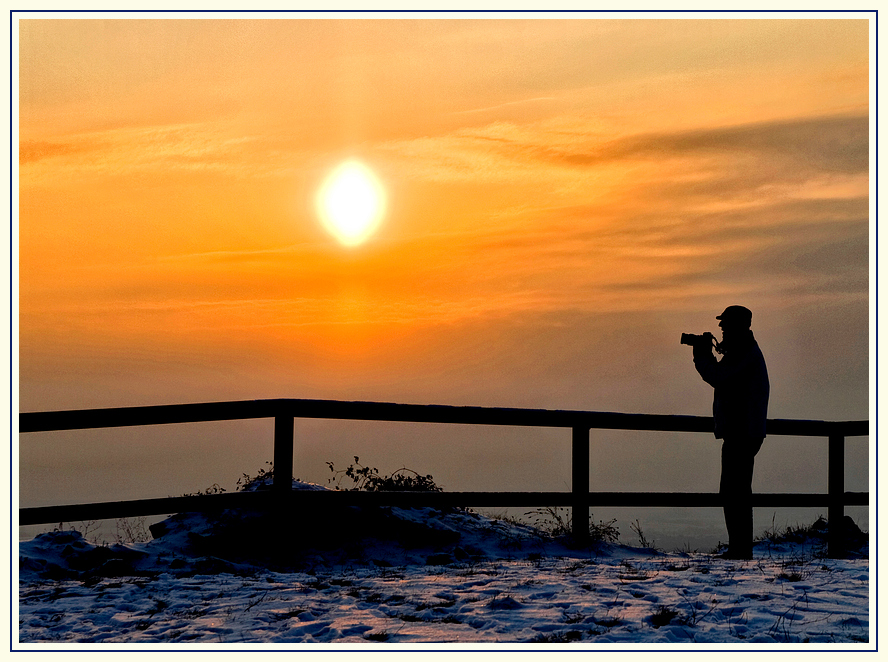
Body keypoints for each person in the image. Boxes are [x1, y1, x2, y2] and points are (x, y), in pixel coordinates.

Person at [690, 305, 769, 559]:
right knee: (736, 490)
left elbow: (718, 375)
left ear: (737, 326)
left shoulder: (743, 352)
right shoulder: (744, 350)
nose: (721, 328)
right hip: (745, 430)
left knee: (735, 491)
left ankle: (740, 549)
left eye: (725, 324)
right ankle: (740, 547)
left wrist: (701, 355)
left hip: (741, 432)